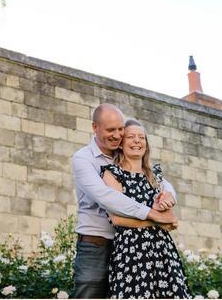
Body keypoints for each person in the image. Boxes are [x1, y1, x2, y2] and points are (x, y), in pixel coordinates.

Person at [72, 103, 178, 298]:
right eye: (110, 130)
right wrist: (155, 217)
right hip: (98, 243)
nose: (117, 135)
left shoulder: (127, 155)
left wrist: (169, 195)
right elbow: (108, 198)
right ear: (95, 127)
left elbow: (161, 181)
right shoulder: (83, 159)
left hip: (132, 246)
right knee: (90, 294)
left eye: (120, 129)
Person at [101, 118, 191, 299]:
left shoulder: (155, 175)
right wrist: (158, 219)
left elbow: (170, 219)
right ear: (120, 144)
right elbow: (118, 219)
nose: (137, 141)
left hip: (162, 251)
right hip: (131, 252)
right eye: (131, 137)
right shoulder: (111, 174)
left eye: (141, 137)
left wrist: (165, 211)